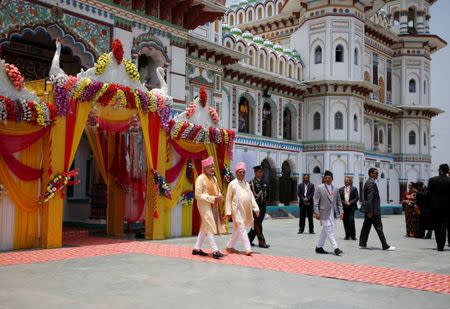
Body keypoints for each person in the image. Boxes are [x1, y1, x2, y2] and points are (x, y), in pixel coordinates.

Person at [193, 156, 225, 259]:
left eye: (213, 167)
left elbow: (218, 190)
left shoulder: (214, 178)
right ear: (205, 168)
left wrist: (219, 195)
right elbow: (198, 195)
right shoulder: (200, 178)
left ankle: (196, 248)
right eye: (210, 167)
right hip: (203, 204)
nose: (212, 169)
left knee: (205, 226)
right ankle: (215, 250)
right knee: (210, 224)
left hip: (213, 203)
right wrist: (212, 198)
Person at [225, 162, 260, 256]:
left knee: (238, 229)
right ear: (236, 173)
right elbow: (228, 199)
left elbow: (251, 196)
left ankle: (229, 246)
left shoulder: (247, 184)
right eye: (240, 172)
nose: (242, 173)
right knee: (242, 227)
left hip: (245, 210)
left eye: (243, 172)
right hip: (236, 210)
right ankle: (248, 248)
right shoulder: (232, 184)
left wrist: (256, 208)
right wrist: (228, 212)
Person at [359, 168, 396, 251]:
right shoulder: (371, 183)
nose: (377, 175)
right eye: (376, 173)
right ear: (371, 174)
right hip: (373, 211)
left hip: (370, 210)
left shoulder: (368, 182)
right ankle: (385, 245)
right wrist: (370, 211)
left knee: (366, 226)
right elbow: (370, 198)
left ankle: (362, 243)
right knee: (379, 227)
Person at [313, 170, 344, 256]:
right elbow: (315, 202)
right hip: (323, 213)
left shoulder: (335, 189)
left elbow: (339, 202)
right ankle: (336, 248)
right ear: (324, 178)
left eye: (329, 178)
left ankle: (319, 247)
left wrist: (341, 212)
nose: (327, 179)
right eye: (326, 178)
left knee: (325, 230)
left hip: (332, 213)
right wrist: (316, 212)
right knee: (329, 230)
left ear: (332, 179)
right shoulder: (319, 187)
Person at [426, 164, 450, 251]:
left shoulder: (433, 180)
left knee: (437, 226)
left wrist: (427, 208)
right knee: (444, 225)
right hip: (447, 208)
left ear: (440, 170)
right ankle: (441, 244)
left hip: (435, 208)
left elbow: (428, 195)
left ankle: (439, 244)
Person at [248, 165, 270, 248]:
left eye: (262, 172)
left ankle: (248, 239)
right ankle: (262, 242)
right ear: (255, 172)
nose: (261, 173)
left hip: (263, 206)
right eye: (259, 172)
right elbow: (250, 196)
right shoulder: (251, 183)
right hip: (255, 206)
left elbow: (266, 194)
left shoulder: (264, 182)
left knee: (257, 224)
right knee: (258, 224)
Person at [339, 176, 359, 240]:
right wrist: (344, 202)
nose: (346, 181)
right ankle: (347, 235)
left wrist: (350, 202)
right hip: (344, 208)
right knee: (345, 221)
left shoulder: (354, 189)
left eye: (347, 180)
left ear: (350, 181)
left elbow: (356, 198)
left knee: (351, 220)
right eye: (345, 180)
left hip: (351, 207)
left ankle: (353, 235)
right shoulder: (341, 189)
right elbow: (339, 199)